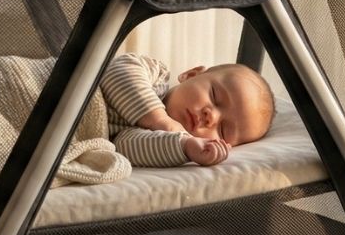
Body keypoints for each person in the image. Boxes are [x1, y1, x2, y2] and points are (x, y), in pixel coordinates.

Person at [100, 53, 277, 167]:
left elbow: (123, 147)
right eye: (214, 95)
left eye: (223, 130)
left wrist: (186, 146)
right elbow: (115, 71)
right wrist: (160, 120)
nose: (211, 117)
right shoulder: (155, 74)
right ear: (191, 74)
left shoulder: (155, 138)